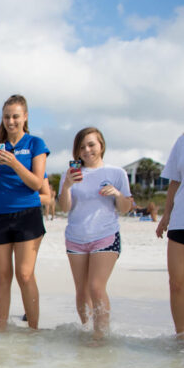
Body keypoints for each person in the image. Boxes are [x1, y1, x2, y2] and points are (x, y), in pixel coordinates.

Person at [0, 95, 48, 329]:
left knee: (25, 274)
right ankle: (1, 330)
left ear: (25, 117)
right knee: (1, 275)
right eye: (7, 117)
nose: (11, 121)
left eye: (16, 116)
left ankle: (34, 329)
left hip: (27, 215)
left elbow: (37, 184)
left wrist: (14, 163)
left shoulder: (35, 144)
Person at [58, 128, 132, 338]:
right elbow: (65, 207)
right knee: (81, 290)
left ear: (101, 145)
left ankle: (100, 336)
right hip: (76, 237)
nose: (87, 150)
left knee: (96, 287)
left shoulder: (116, 173)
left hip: (105, 236)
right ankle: (86, 329)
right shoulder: (69, 174)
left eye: (91, 145)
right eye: (82, 147)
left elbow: (126, 207)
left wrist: (117, 193)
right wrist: (67, 187)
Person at [0, 176, 53, 322]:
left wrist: (20, 197)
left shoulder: (33, 167)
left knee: (25, 272)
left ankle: (28, 312)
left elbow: (47, 197)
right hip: (0, 219)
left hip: (25, 219)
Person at [155, 88, 184, 338]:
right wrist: (166, 216)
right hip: (182, 221)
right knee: (177, 284)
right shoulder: (182, 142)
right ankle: (182, 338)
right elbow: (175, 183)